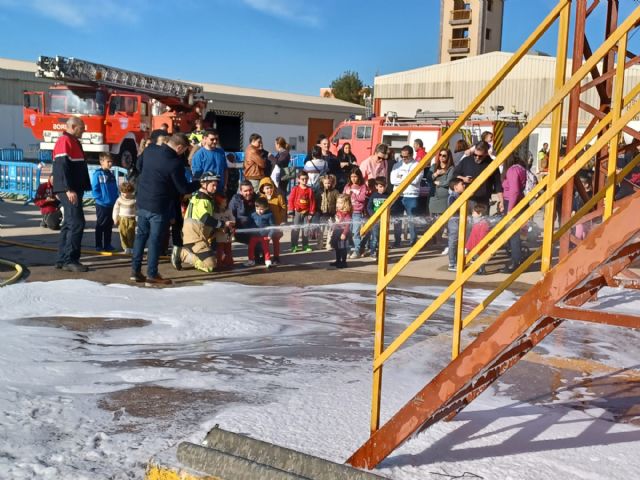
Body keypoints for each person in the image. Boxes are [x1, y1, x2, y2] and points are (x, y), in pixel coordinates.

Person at [131, 133, 199, 286]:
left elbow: (138, 166)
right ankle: (152, 274)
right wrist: (198, 183)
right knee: (155, 240)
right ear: (179, 147)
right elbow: (182, 188)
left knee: (141, 236)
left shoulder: (150, 150)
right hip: (159, 206)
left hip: (142, 201)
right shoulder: (174, 163)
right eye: (184, 151)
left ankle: (135, 271)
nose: (183, 154)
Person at [172, 173, 234, 273]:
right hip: (195, 239)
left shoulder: (203, 197)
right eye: (213, 185)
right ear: (204, 185)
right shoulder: (202, 199)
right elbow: (205, 218)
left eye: (216, 185)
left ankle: (194, 253)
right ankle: (182, 254)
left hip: (198, 236)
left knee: (213, 260)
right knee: (210, 265)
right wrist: (223, 224)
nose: (215, 188)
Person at [52, 117, 91, 272]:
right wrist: (68, 189)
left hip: (71, 189)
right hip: (69, 190)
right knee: (77, 223)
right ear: (73, 126)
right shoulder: (64, 141)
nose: (83, 131)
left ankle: (62, 259)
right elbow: (62, 167)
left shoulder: (72, 141)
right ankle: (71, 259)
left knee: (69, 224)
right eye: (81, 128)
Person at [453, 140, 503, 213]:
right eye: (475, 155)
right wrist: (463, 178)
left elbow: (498, 184)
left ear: (486, 153)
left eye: (480, 156)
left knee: (481, 224)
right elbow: (455, 174)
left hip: (483, 202)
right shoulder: (466, 160)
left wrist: (501, 201)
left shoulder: (492, 164)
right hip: (466, 199)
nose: (477, 157)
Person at [390, 145, 424, 247]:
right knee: (397, 219)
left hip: (411, 195)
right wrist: (407, 177)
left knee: (412, 220)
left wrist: (402, 178)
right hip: (398, 195)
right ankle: (397, 241)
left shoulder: (417, 165)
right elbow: (393, 180)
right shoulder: (397, 165)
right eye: (402, 156)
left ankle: (413, 242)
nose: (404, 158)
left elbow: (415, 180)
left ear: (411, 155)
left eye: (406, 156)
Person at [501, 155, 527, 273]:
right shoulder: (521, 168)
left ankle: (515, 261)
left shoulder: (512, 170)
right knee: (516, 233)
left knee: (513, 234)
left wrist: (510, 209)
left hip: (512, 202)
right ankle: (517, 258)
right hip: (518, 201)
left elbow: (514, 190)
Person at [91, 152, 119, 251]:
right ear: (101, 162)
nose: (110, 163)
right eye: (108, 161)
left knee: (109, 226)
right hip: (102, 205)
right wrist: (101, 199)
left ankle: (107, 244)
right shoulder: (98, 174)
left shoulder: (111, 175)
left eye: (111, 161)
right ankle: (98, 245)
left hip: (111, 204)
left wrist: (116, 199)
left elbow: (115, 189)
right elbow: (95, 189)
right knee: (101, 225)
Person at [430, 148, 455, 249]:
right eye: (440, 155)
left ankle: (439, 240)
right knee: (432, 219)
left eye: (444, 155)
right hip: (433, 196)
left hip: (444, 197)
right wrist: (436, 174)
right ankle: (434, 239)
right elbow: (428, 178)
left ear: (448, 157)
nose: (441, 157)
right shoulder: (434, 166)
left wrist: (439, 183)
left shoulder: (451, 168)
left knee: (442, 220)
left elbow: (449, 182)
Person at [258, 177, 287, 265]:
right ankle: (265, 256)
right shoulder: (261, 198)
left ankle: (276, 257)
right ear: (262, 189)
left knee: (276, 241)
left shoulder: (278, 197)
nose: (269, 190)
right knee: (265, 241)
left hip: (277, 223)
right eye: (267, 188)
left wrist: (282, 219)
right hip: (266, 224)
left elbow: (283, 207)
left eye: (270, 187)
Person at [287, 171, 316, 253]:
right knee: (295, 230)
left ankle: (305, 245)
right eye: (302, 179)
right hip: (297, 213)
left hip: (306, 213)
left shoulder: (310, 190)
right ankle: (294, 245)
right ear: (298, 179)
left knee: (306, 230)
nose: (304, 181)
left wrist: (311, 213)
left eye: (306, 179)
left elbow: (312, 202)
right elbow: (291, 200)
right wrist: (291, 212)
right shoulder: (295, 189)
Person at [343, 167, 368, 258]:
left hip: (357, 212)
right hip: (348, 212)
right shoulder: (347, 186)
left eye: (355, 176)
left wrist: (353, 193)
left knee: (356, 232)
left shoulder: (362, 186)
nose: (353, 179)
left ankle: (357, 250)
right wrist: (347, 194)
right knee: (348, 231)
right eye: (352, 176)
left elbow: (362, 198)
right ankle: (349, 249)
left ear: (359, 177)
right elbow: (343, 197)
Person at [245, 197, 274, 268]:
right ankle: (251, 260)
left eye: (261, 209)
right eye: (257, 209)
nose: (259, 211)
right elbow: (248, 224)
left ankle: (267, 261)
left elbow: (273, 226)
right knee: (251, 248)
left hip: (264, 236)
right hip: (254, 235)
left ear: (266, 208)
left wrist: (270, 235)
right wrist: (248, 231)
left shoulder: (269, 215)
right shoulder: (252, 215)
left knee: (266, 248)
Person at [366, 176, 389, 259]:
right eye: (380, 187)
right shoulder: (374, 195)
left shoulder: (388, 196)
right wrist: (374, 216)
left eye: (384, 186)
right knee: (375, 237)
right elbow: (369, 207)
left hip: (385, 221)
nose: (382, 189)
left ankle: (381, 253)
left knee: (383, 238)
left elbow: (391, 207)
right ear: (376, 187)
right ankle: (373, 252)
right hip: (375, 221)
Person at [465, 204, 490, 275]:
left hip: (479, 244)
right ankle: (479, 268)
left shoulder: (483, 223)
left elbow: (483, 235)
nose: (472, 214)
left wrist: (480, 244)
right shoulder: (476, 222)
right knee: (476, 257)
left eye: (474, 212)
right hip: (474, 243)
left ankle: (482, 269)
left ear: (480, 214)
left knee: (480, 257)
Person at [229, 180, 257, 245]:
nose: (248, 193)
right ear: (241, 192)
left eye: (250, 190)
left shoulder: (257, 198)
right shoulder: (235, 200)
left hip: (255, 230)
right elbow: (230, 215)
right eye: (245, 191)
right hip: (239, 231)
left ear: (253, 189)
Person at [112, 181, 136, 254]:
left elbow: (138, 210)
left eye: (126, 192)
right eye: (122, 192)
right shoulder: (119, 200)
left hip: (131, 219)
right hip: (122, 218)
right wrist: (115, 218)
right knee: (123, 233)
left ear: (130, 192)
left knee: (131, 233)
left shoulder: (134, 200)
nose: (124, 194)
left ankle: (131, 247)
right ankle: (125, 247)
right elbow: (116, 209)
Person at [316, 174, 339, 250]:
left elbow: (338, 202)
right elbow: (317, 202)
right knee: (321, 231)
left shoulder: (335, 192)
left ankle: (329, 244)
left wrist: (337, 212)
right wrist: (317, 212)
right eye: (325, 183)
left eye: (329, 183)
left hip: (331, 214)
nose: (327, 185)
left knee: (331, 230)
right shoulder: (320, 192)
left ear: (332, 183)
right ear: (322, 183)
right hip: (322, 214)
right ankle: (320, 244)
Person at [330, 194, 353, 269]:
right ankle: (338, 261)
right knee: (337, 248)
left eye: (340, 203)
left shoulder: (347, 214)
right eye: (337, 202)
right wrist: (332, 225)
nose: (338, 204)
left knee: (342, 248)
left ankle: (344, 262)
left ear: (345, 204)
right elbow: (337, 223)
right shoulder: (338, 212)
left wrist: (344, 233)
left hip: (343, 233)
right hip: (337, 232)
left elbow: (347, 225)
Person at [447, 178, 466, 272]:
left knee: (459, 242)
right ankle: (452, 263)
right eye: (462, 184)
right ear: (455, 187)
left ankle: (458, 262)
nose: (464, 186)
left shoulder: (459, 195)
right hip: (454, 222)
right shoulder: (452, 197)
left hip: (459, 221)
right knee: (453, 242)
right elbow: (454, 209)